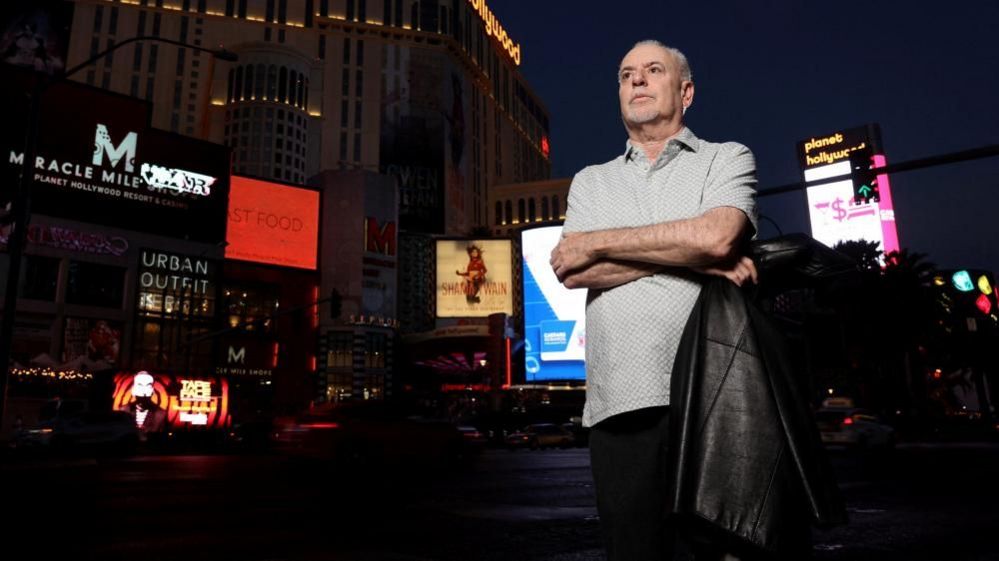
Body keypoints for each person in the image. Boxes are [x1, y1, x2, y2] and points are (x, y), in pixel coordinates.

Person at [550, 40, 758, 561]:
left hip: (713, 396)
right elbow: (571, 270)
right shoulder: (590, 181)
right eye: (625, 75)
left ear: (685, 91)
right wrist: (691, 255)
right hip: (619, 400)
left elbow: (716, 236)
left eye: (652, 70)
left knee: (712, 552)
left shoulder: (725, 157)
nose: (636, 81)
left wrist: (597, 240)